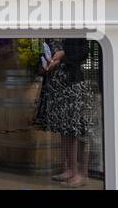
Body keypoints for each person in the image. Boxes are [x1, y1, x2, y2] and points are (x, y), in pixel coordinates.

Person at [34, 38, 96, 187]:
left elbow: (84, 53)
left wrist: (63, 55)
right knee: (65, 128)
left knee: (78, 129)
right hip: (56, 83)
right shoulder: (49, 33)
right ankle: (70, 169)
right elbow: (41, 55)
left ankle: (82, 174)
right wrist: (45, 65)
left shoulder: (75, 28)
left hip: (73, 83)